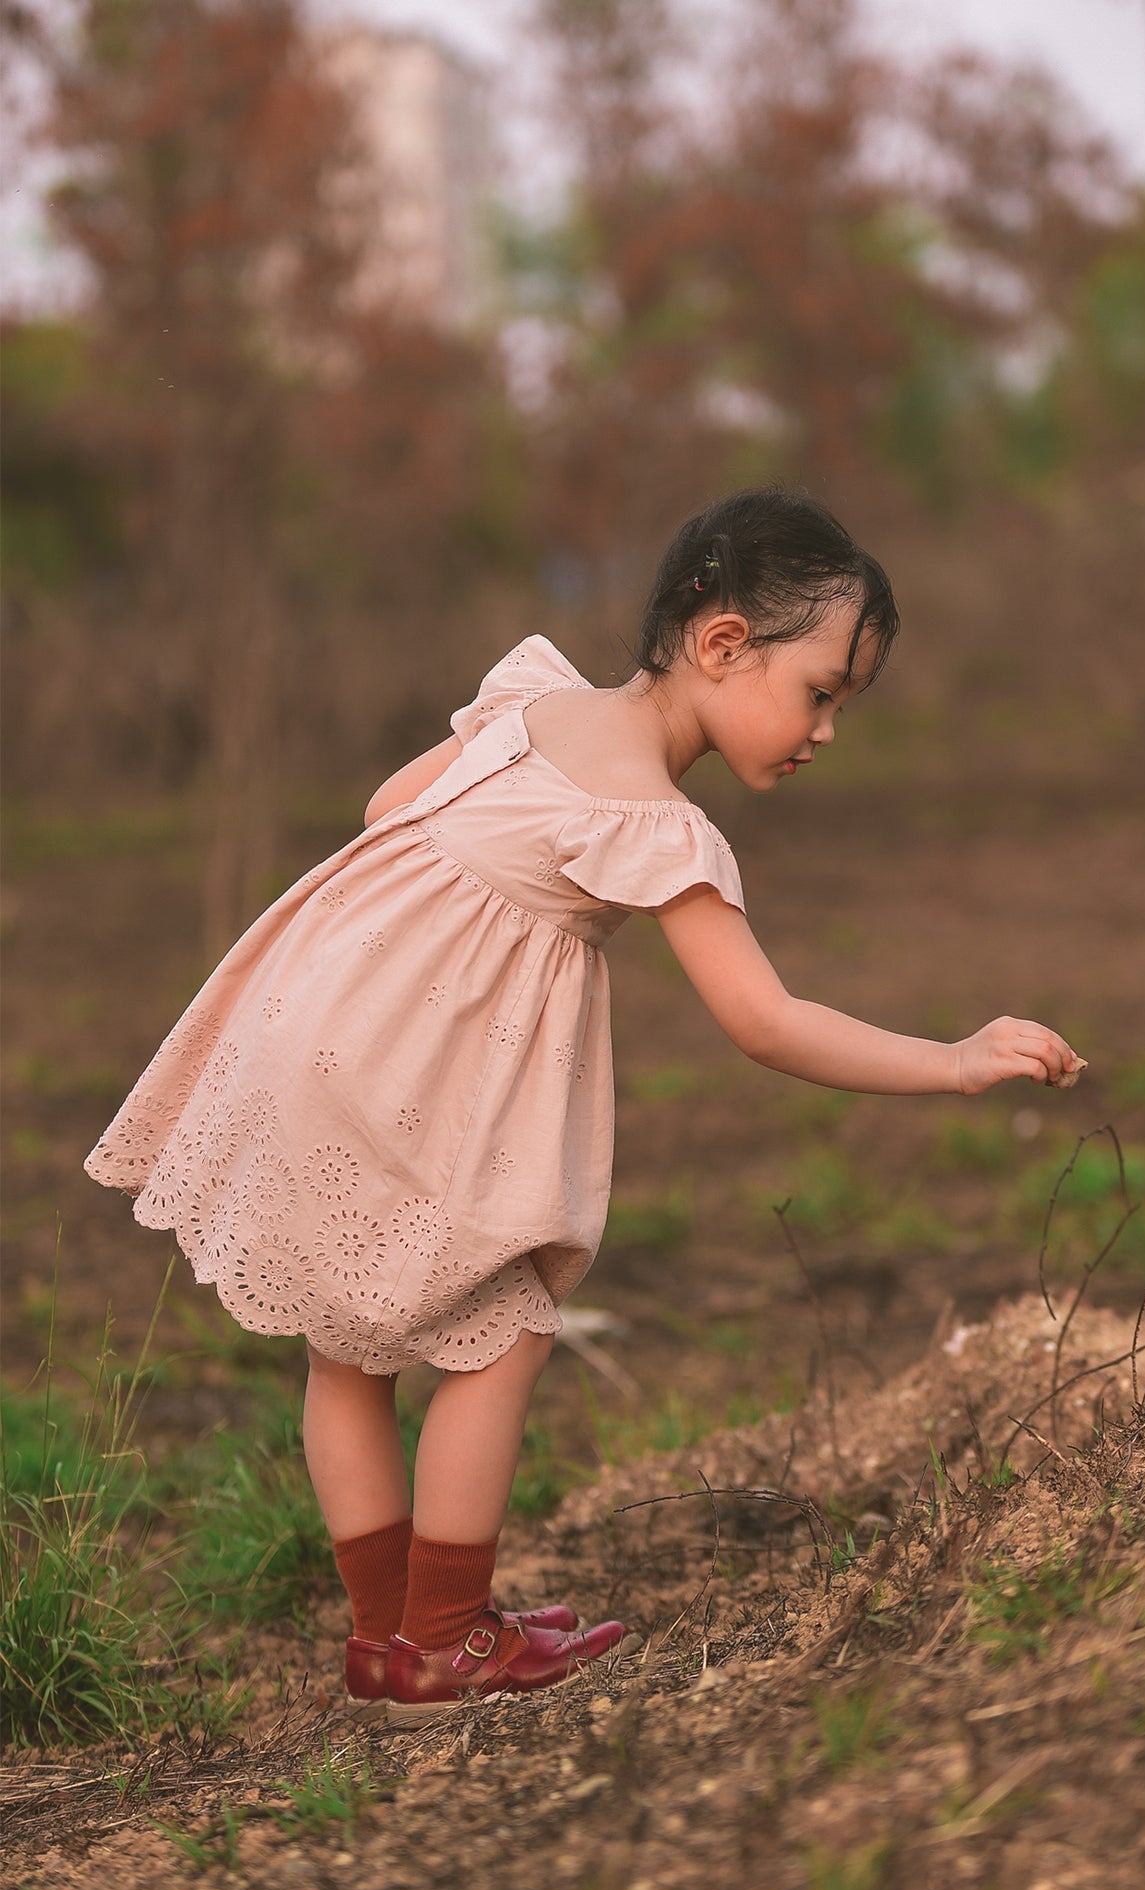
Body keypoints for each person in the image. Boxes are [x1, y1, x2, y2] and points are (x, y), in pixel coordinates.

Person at [85, 486, 1082, 1725]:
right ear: (721, 644)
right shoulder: (653, 823)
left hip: (310, 1024)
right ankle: (446, 1641)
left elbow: (387, 808)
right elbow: (765, 1024)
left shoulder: (530, 700)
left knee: (347, 1350)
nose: (826, 729)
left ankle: (386, 1643)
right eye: (820, 691)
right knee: (500, 1326)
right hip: (399, 1067)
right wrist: (952, 1055)